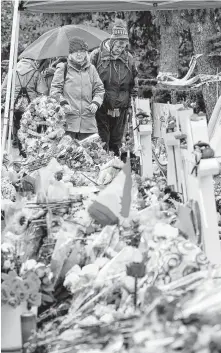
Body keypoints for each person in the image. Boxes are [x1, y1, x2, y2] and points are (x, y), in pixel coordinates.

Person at [90, 19, 138, 156]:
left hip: (121, 107)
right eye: (118, 46)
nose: (120, 49)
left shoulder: (128, 58)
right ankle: (102, 165)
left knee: (116, 141)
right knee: (102, 139)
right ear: (111, 42)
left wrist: (133, 98)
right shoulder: (96, 55)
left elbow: (134, 80)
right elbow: (89, 79)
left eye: (123, 46)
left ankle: (115, 169)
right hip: (102, 106)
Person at [50, 37, 105, 141]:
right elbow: (54, 91)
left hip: (88, 122)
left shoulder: (91, 69)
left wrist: (96, 102)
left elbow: (99, 89)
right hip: (68, 121)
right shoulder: (63, 67)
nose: (79, 55)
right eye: (76, 52)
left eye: (82, 52)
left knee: (90, 153)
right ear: (70, 54)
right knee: (66, 154)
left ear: (86, 53)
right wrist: (63, 103)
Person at [1, 58, 48, 153]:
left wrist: (10, 98)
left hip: (15, 106)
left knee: (17, 125)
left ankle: (18, 146)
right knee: (32, 127)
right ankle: (31, 149)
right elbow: (43, 91)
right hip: (32, 107)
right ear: (32, 62)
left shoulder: (12, 72)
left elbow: (4, 89)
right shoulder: (36, 73)